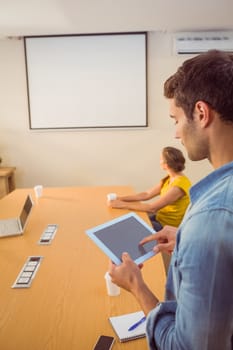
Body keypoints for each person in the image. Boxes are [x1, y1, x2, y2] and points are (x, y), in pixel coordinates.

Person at [109, 50, 233, 350]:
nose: (176, 133)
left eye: (176, 119)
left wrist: (136, 286)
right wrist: (186, 239)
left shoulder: (212, 219)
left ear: (201, 114)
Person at [107, 146, 191, 231]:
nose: (159, 161)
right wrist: (120, 199)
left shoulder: (178, 186)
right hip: (159, 218)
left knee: (130, 227)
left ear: (166, 165)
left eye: (161, 159)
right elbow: (146, 194)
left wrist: (122, 205)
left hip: (167, 227)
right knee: (132, 219)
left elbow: (152, 208)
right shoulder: (170, 178)